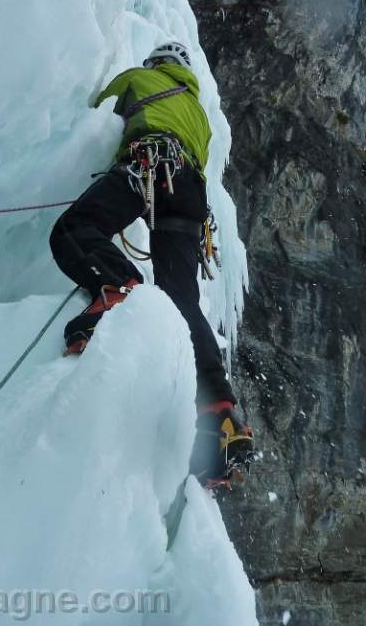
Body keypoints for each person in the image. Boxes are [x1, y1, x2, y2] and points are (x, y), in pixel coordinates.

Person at [50, 41, 254, 488]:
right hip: (189, 196)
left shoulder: (139, 79)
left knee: (75, 228)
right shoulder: (199, 115)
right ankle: (219, 415)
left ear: (156, 64)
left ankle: (116, 288)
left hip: (149, 162)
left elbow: (95, 116)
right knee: (182, 299)